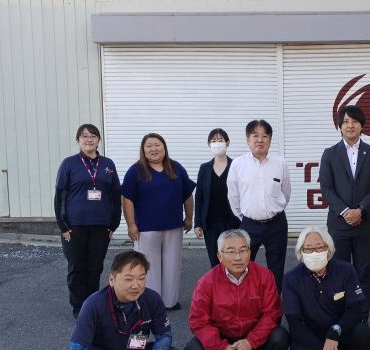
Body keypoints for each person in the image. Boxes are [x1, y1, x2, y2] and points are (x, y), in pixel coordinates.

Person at [184, 229, 290, 350]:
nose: (238, 257)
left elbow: (272, 314)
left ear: (249, 252)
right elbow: (198, 322)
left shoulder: (265, 275)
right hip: (222, 333)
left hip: (253, 332)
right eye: (231, 251)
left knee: (280, 337)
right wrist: (222, 348)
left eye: (243, 250)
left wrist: (250, 341)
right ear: (220, 256)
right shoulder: (206, 282)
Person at [282, 226, 370, 350]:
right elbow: (294, 324)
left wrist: (335, 331)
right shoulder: (291, 278)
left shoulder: (346, 270)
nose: (314, 252)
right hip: (309, 335)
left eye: (320, 247)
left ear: (329, 250)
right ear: (300, 252)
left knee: (364, 333)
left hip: (338, 332)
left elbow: (357, 308)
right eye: (308, 249)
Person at [318, 105, 370, 321]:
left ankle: (361, 319)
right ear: (339, 126)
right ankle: (339, 316)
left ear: (362, 126)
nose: (350, 125)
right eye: (345, 121)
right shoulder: (329, 154)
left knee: (363, 273)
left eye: (354, 121)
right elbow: (326, 188)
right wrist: (346, 211)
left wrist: (361, 210)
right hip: (339, 225)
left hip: (365, 224)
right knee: (337, 272)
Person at [121, 133, 195, 311]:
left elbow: (187, 195)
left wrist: (189, 217)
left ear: (164, 147)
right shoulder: (136, 170)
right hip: (146, 229)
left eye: (157, 145)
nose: (154, 149)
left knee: (172, 265)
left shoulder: (176, 168)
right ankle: (151, 304)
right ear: (143, 150)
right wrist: (131, 224)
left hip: (173, 226)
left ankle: (169, 302)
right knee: (148, 267)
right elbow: (127, 199)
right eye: (149, 146)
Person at [54, 124, 122, 318]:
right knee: (76, 268)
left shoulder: (108, 164)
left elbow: (115, 194)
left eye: (93, 136)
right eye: (84, 136)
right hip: (74, 226)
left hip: (101, 226)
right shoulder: (69, 163)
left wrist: (113, 224)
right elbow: (59, 196)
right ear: (78, 140)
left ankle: (92, 307)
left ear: (99, 140)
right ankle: (79, 309)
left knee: (95, 267)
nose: (89, 139)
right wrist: (63, 226)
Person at [227, 120, 291, 290]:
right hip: (249, 224)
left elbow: (286, 192)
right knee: (243, 268)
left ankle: (274, 311)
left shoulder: (280, 162)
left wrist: (274, 209)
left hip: (276, 223)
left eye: (264, 136)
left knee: (276, 270)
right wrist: (245, 217)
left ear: (270, 139)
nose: (260, 140)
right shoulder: (238, 164)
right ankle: (247, 308)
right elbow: (233, 196)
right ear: (248, 139)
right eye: (255, 136)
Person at [194, 128, 240, 266]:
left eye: (220, 140)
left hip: (233, 222)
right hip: (211, 223)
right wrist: (197, 223)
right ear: (209, 144)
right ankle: (218, 287)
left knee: (234, 259)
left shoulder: (236, 165)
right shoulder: (204, 168)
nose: (217, 143)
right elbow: (199, 196)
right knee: (215, 261)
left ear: (227, 143)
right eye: (213, 141)